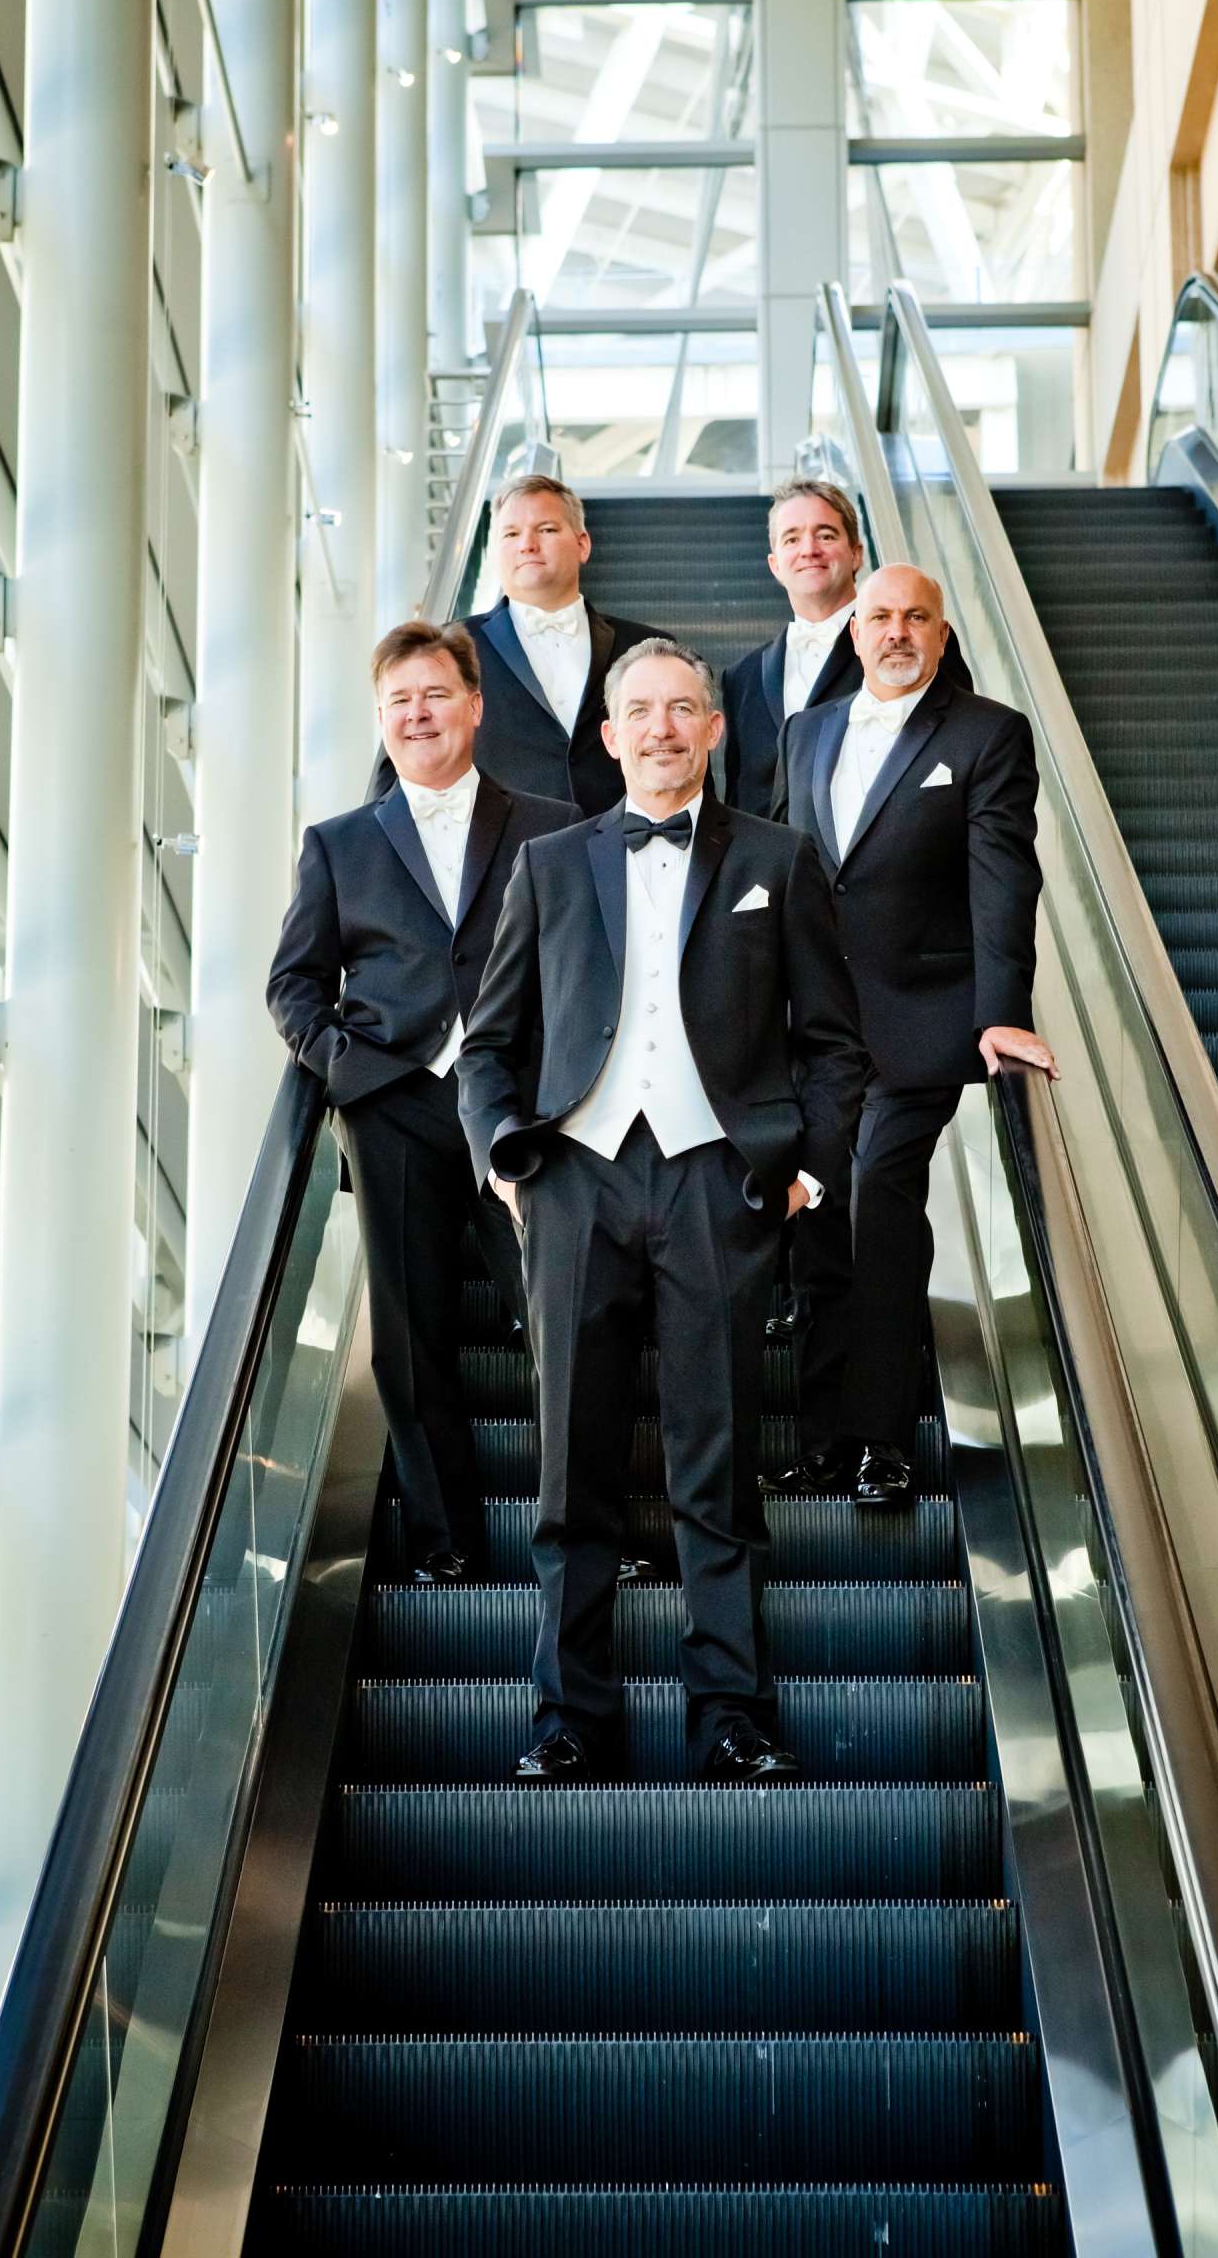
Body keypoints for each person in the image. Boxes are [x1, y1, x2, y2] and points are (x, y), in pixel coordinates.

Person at [458, 640, 861, 1785]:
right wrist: (505, 1155)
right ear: (608, 730)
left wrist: (803, 1170)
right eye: (640, 711)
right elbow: (486, 1047)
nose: (663, 728)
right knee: (569, 1474)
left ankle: (730, 1713)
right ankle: (566, 1718)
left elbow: (833, 1045)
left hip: (716, 1183)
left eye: (684, 709)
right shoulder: (548, 863)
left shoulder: (778, 861)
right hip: (577, 1180)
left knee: (717, 1467)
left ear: (716, 729)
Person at [267, 619, 576, 1582]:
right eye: (398, 701)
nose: (416, 714)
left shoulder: (553, 824)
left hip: (521, 1111)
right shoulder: (338, 843)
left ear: (475, 706)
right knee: (410, 1339)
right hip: (393, 1108)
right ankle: (449, 1543)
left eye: (434, 694)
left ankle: (587, 1536)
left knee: (569, 1322)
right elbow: (294, 984)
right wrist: (345, 1069)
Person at [770, 565, 1054, 1505]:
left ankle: (878, 1443)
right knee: (812, 1227)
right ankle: (818, 1441)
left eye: (915, 618)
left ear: (940, 633)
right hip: (812, 1034)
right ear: (854, 632)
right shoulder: (805, 733)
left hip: (920, 1022)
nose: (896, 632)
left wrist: (1002, 1009)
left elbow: (1004, 879)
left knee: (878, 1209)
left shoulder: (986, 734)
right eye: (880, 616)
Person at [370, 475, 665, 814]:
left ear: (582, 544)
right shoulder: (444, 650)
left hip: (623, 852)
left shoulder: (647, 647)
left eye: (547, 530)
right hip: (498, 857)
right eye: (511, 534)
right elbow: (398, 766)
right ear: (495, 552)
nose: (527, 544)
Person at [721, 478, 971, 818]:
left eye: (825, 535)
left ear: (856, 554)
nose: (809, 549)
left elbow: (957, 755)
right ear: (775, 564)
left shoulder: (908, 641)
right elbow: (741, 796)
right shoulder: (742, 676)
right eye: (792, 538)